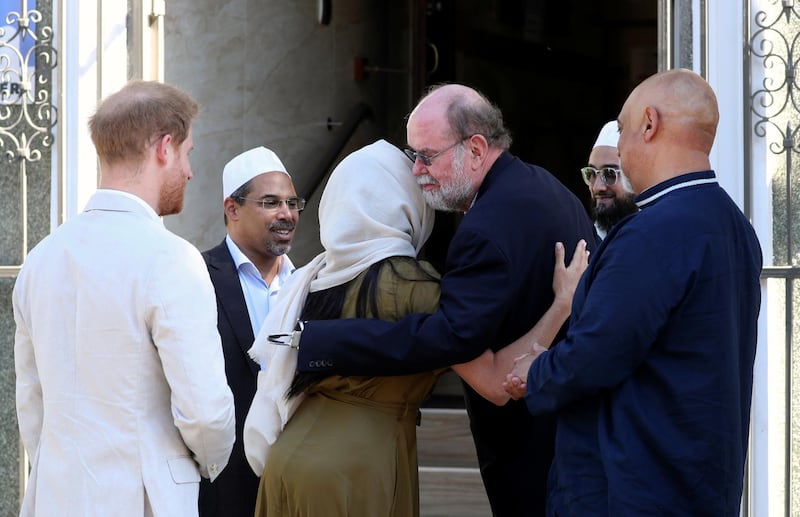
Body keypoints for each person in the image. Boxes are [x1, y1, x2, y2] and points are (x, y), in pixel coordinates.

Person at [288, 84, 598, 516]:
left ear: (475, 148)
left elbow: (453, 339)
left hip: (530, 445)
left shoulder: (482, 232)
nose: (416, 171)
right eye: (412, 154)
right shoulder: (544, 186)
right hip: (570, 434)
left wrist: (326, 343)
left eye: (426, 156)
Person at [504, 69, 763, 515]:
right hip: (697, 482)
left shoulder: (654, 231)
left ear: (649, 123)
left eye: (622, 130)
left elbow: (597, 354)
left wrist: (536, 371)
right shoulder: (734, 225)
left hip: (632, 486)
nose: (621, 147)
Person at [13, 80, 236, 517]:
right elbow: (206, 413)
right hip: (145, 498)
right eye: (189, 153)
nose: (190, 172)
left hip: (55, 498)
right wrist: (203, 465)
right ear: (164, 147)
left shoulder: (40, 260)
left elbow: (32, 402)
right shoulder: (172, 258)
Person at [199, 147, 302, 517]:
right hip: (221, 483)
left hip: (296, 479)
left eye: (292, 203)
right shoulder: (197, 277)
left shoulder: (309, 284)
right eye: (271, 202)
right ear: (232, 208)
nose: (286, 214)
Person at [581, 120, 638, 239]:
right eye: (591, 173)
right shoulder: (585, 242)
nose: (597, 187)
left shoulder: (658, 237)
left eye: (609, 173)